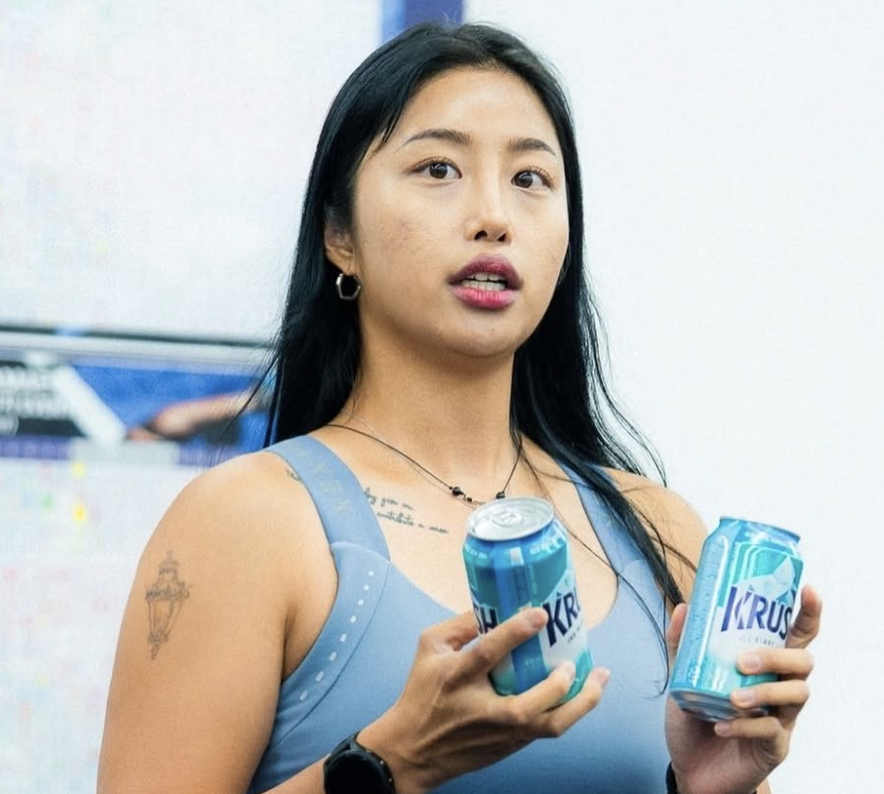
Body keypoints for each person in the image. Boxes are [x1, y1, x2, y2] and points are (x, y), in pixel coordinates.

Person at [97, 21, 821, 794]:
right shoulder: (247, 521)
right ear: (340, 235)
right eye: (438, 168)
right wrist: (390, 762)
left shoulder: (662, 534)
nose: (494, 216)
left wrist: (711, 787)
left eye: (531, 178)